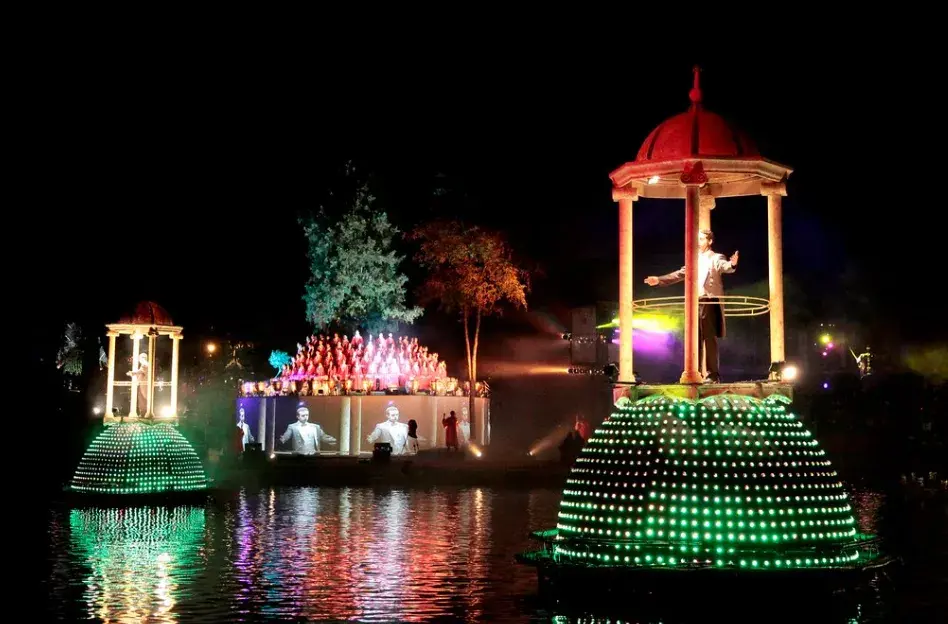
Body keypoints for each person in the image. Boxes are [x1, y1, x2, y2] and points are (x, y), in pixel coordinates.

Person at [645, 229, 738, 382]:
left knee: (709, 338)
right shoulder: (693, 260)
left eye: (701, 239)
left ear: (709, 241)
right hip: (695, 302)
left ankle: (713, 374)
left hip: (709, 300)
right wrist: (659, 279)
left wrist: (732, 264)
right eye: (697, 239)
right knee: (695, 338)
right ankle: (695, 373)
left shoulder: (716, 257)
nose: (698, 242)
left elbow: (725, 266)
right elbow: (679, 274)